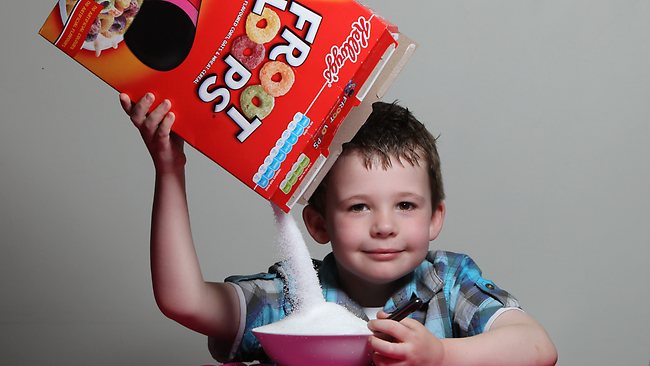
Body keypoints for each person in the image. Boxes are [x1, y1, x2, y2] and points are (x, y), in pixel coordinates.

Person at [119, 92, 558, 365]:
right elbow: (183, 301)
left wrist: (441, 356)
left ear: (435, 217)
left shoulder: (448, 283)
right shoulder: (293, 295)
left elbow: (536, 347)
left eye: (405, 205)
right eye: (359, 207)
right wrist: (170, 169)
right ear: (318, 223)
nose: (384, 226)